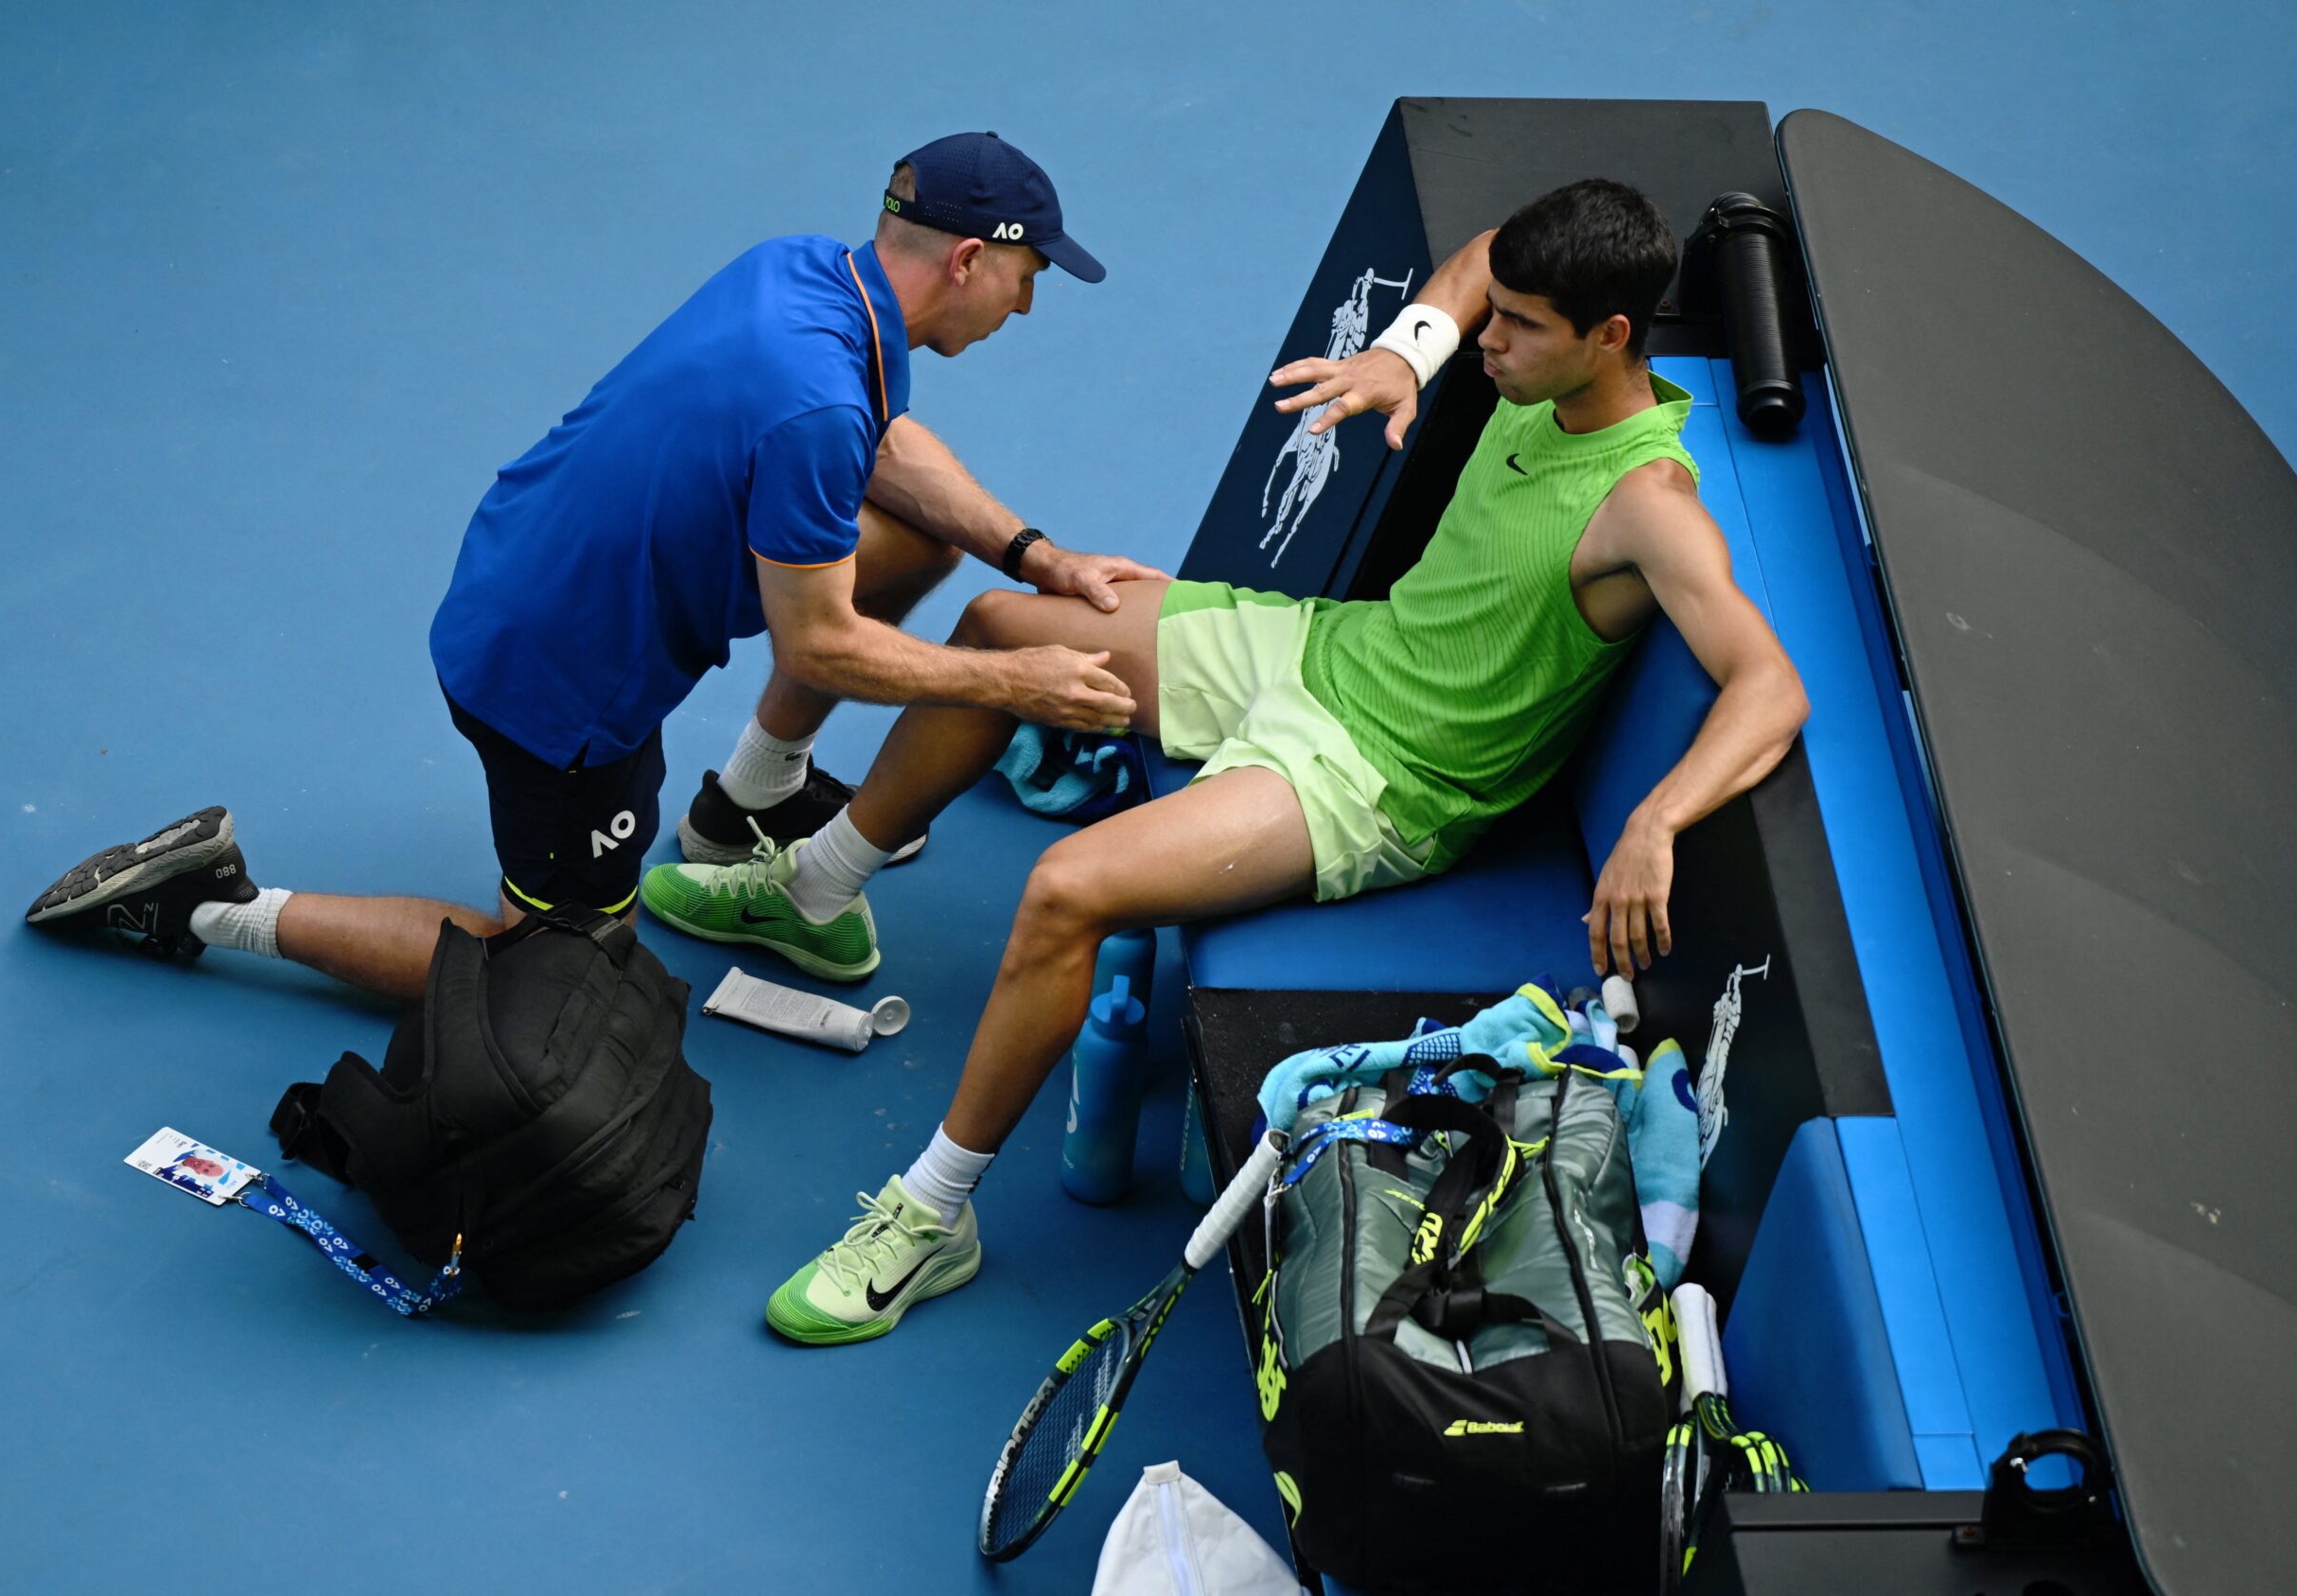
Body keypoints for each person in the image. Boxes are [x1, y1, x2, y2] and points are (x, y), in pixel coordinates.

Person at [642, 179, 1810, 1345]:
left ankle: (932, 1215)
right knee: (999, 628)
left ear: (1610, 335)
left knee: (1065, 888)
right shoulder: (1534, 350)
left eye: (1519, 327)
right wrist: (1407, 352)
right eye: (1491, 319)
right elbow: (1483, 252)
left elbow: (1770, 686)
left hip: (1377, 779)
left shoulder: (1646, 504)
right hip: (1327, 650)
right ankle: (817, 892)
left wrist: (1655, 821)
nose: (1488, 341)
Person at [24, 132, 1163, 998]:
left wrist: (1031, 553)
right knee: (554, 973)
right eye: (1027, 276)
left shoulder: (807, 279)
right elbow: (822, 642)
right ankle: (208, 905)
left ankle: (748, 803)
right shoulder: (815, 401)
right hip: (557, 682)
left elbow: (883, 445)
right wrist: (1013, 683)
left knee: (915, 537)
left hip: (533, 561)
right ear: (967, 260)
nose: (1027, 302)